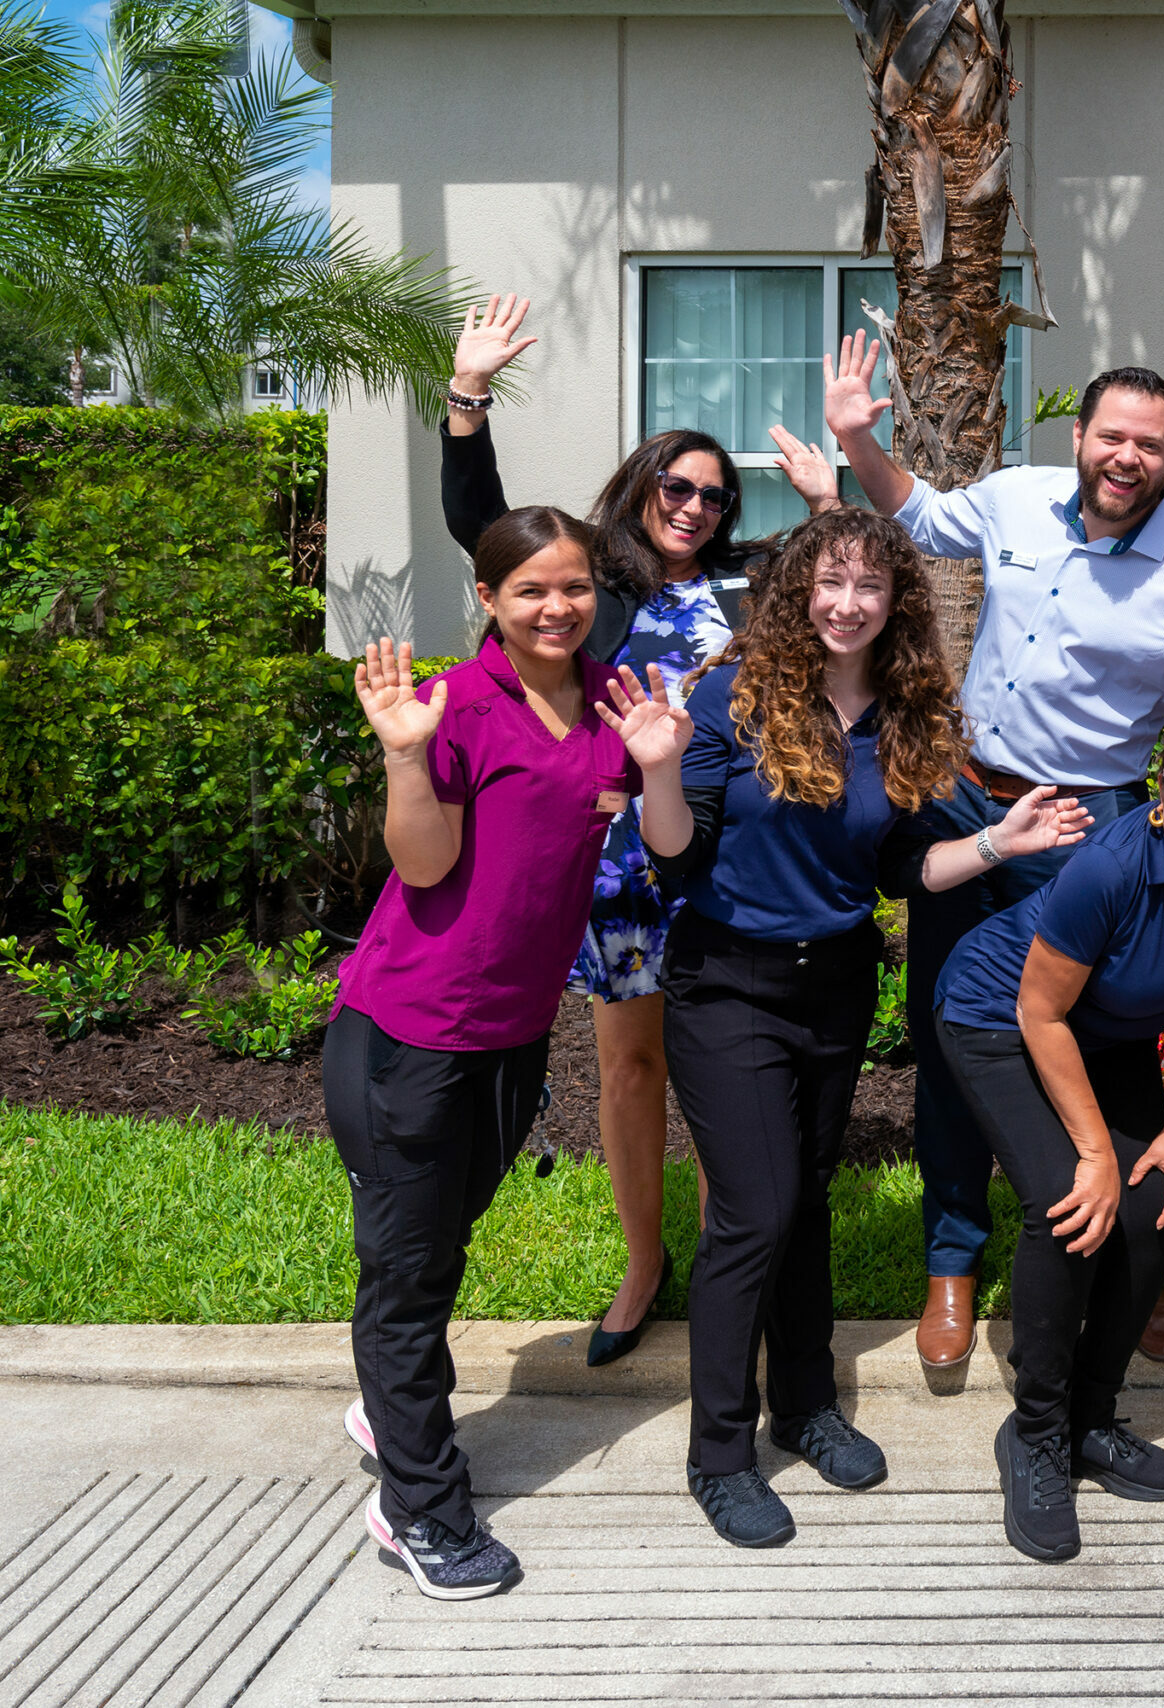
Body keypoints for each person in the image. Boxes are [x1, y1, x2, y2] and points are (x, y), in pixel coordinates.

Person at [825, 332, 1164, 1377]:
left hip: (1088, 832)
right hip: (972, 803)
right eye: (1112, 435)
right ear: (1081, 436)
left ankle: (1124, 1266)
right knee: (948, 1035)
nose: (1127, 456)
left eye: (1150, 444)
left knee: (1106, 1047)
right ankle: (953, 1261)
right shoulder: (1016, 498)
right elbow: (920, 514)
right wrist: (856, 442)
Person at [604, 507, 1093, 1548]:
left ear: (895, 603)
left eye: (868, 586)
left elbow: (897, 873)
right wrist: (655, 767)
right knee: (756, 1212)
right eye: (829, 582)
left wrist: (997, 844)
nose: (845, 603)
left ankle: (807, 1406)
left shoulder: (904, 716)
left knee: (807, 1203)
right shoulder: (735, 697)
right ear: (799, 588)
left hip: (833, 984)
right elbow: (675, 860)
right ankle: (721, 1451)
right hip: (726, 984)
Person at [439, 293, 804, 1368]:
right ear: (642, 485)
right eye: (676, 485)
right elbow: (481, 524)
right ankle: (645, 1264)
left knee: (723, 1065)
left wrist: (840, 476)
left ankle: (728, 1258)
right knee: (633, 1068)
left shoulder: (751, 583)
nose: (694, 504)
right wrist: (469, 398)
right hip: (615, 868)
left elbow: (851, 579)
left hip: (724, 862)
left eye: (714, 493)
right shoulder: (591, 575)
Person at [326, 507, 638, 1600]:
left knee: (439, 1242)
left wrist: (662, 764)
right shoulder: (455, 701)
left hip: (511, 1031)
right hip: (408, 1030)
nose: (558, 607)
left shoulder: (610, 700)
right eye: (532, 591)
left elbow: (625, 818)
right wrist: (405, 757)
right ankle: (418, 1506)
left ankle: (383, 1402)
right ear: (489, 602)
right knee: (407, 1276)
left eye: (576, 587)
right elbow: (421, 865)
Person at [932, 710, 1164, 1562]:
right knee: (1073, 1205)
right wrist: (1096, 1154)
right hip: (1001, 1020)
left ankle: (1094, 1417)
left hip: (1112, 1033)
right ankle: (1036, 1433)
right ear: (1159, 797)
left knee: (1155, 1201)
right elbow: (1039, 1009)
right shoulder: (1107, 869)